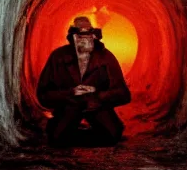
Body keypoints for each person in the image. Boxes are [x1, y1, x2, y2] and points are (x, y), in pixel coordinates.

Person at [36, 16, 131, 147]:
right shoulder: (58, 57)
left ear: (94, 36)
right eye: (80, 36)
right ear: (72, 38)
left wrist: (97, 95)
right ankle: (74, 137)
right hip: (68, 108)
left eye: (88, 35)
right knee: (58, 137)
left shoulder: (106, 57)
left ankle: (81, 137)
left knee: (111, 136)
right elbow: (43, 95)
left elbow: (123, 94)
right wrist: (70, 93)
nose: (85, 39)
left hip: (98, 108)